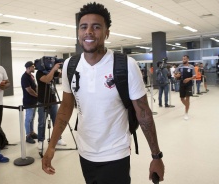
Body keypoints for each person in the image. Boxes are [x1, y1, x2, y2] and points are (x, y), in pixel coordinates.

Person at [41, 2, 165, 184]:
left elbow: (143, 113)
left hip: (116, 153)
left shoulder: (126, 65)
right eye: (83, 27)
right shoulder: (70, 65)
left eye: (96, 27)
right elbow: (66, 107)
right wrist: (51, 146)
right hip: (84, 152)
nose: (89, 32)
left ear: (107, 32)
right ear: (78, 32)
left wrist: (156, 156)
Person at [36, 61, 67, 149]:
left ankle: (58, 138)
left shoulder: (52, 71)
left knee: (56, 121)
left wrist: (62, 68)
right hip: (42, 101)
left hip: (53, 101)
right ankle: (41, 141)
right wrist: (53, 69)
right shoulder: (39, 72)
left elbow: (61, 76)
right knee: (42, 122)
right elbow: (47, 79)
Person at [21, 61, 38, 144]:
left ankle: (32, 132)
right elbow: (29, 90)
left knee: (32, 118)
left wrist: (37, 94)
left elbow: (35, 86)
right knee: (28, 119)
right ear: (28, 68)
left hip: (34, 101)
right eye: (33, 67)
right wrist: (37, 96)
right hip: (28, 101)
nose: (34, 68)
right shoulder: (24, 77)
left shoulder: (31, 76)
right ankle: (28, 136)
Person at [175, 55, 195, 120]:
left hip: (189, 84)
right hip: (182, 84)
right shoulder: (180, 66)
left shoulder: (191, 67)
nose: (183, 60)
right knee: (182, 98)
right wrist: (177, 75)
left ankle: (186, 113)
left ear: (188, 59)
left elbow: (194, 76)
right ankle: (187, 106)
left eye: (185, 59)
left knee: (187, 98)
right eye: (183, 59)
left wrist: (189, 79)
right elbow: (175, 74)